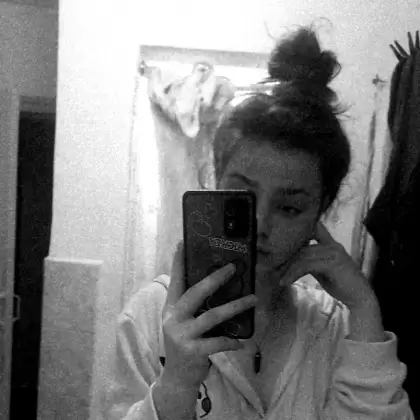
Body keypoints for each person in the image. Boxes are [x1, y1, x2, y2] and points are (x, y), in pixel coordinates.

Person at [102, 26, 414, 420]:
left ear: (320, 212)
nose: (259, 224)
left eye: (289, 208)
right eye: (242, 198)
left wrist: (366, 310)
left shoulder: (338, 327)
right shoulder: (149, 317)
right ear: (214, 183)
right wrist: (176, 386)